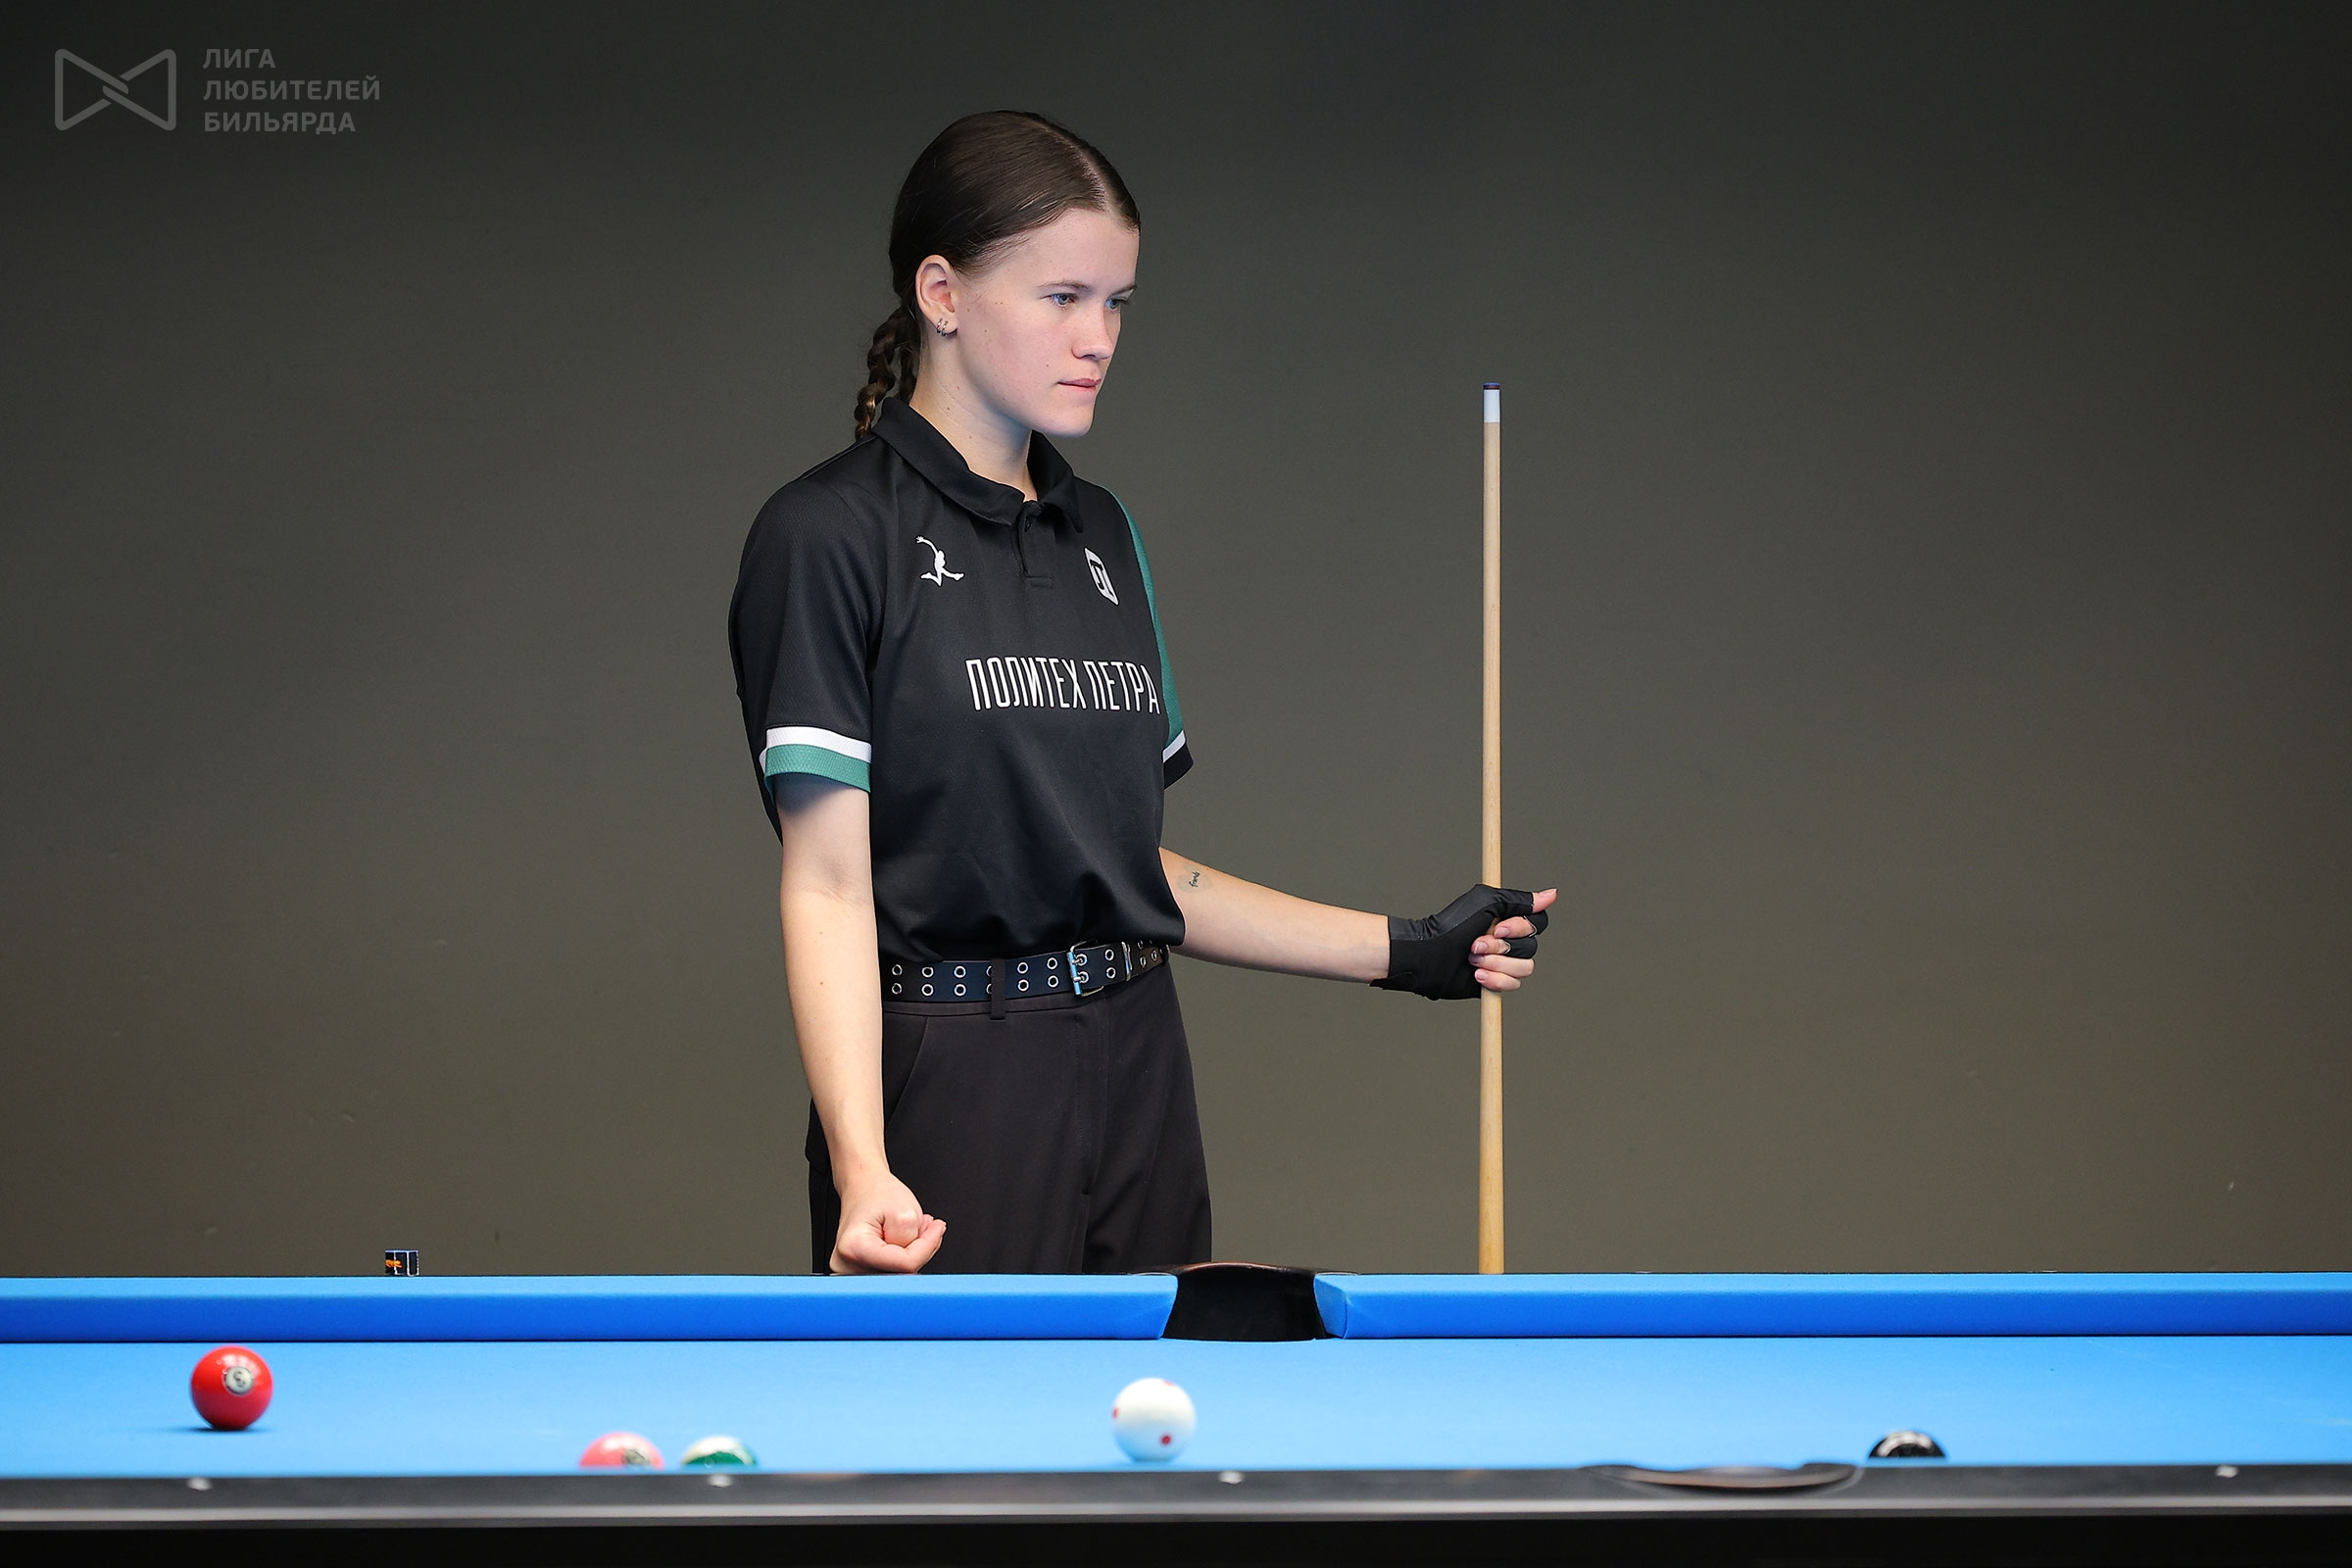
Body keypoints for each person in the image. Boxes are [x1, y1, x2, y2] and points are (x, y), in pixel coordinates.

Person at [730, 111, 1554, 1275]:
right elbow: (825, 883)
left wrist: (1409, 948)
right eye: (1063, 297)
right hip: (952, 1079)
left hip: (1139, 1067)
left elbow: (1127, 873)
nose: (1100, 338)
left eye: (1116, 302)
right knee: (976, 1402)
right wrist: (864, 1164)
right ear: (942, 293)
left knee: (1154, 1387)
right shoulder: (826, 535)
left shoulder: (1102, 534)